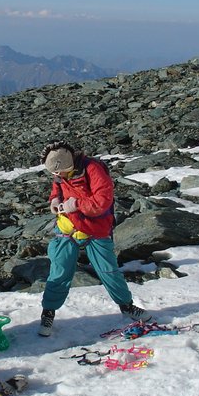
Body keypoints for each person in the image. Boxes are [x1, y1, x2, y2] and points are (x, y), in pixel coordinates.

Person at [38, 141, 152, 336]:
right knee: (60, 271)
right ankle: (48, 312)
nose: (57, 176)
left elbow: (102, 201)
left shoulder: (93, 169)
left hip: (95, 230)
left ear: (69, 164)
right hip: (67, 228)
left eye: (59, 173)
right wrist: (55, 200)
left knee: (109, 271)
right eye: (54, 174)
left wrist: (77, 205)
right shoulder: (60, 171)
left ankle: (127, 306)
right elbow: (57, 187)